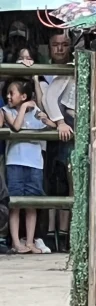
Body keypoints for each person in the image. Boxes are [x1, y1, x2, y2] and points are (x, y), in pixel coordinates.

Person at [37, 32, 76, 253]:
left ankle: (65, 233)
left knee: (69, 182)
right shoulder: (49, 72)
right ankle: (55, 234)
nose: (60, 49)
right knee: (56, 179)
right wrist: (60, 121)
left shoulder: (76, 65)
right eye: (56, 45)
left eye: (64, 45)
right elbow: (49, 98)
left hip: (69, 124)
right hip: (65, 125)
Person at [4, 77, 48, 254]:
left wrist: (47, 118)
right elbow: (15, 127)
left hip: (35, 162)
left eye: (11, 93)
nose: (8, 96)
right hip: (14, 161)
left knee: (32, 203)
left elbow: (49, 125)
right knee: (15, 203)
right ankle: (16, 242)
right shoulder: (6, 110)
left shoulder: (36, 110)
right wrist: (22, 108)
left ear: (23, 96)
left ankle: (30, 241)